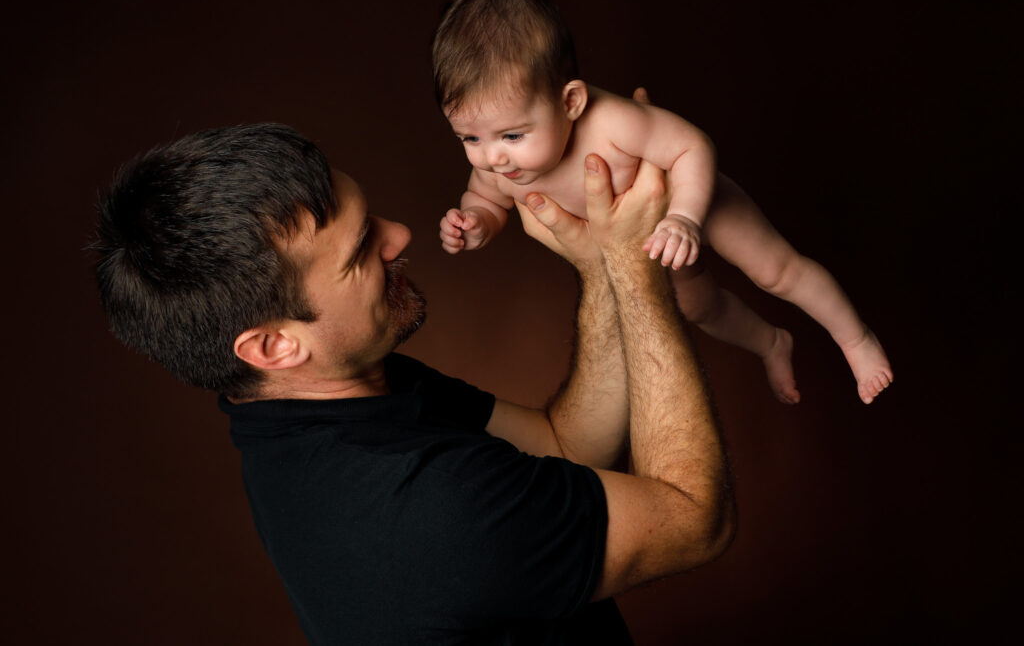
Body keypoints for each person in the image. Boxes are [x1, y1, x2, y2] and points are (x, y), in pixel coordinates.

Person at [93, 122, 735, 644]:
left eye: (372, 218)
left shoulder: (322, 397)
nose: (400, 236)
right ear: (274, 345)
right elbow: (695, 518)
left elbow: (564, 446)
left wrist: (599, 268)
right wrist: (635, 264)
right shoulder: (426, 505)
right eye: (361, 249)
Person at [434, 0, 893, 405]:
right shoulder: (501, 168)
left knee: (776, 270)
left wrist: (686, 216)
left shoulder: (612, 123)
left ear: (570, 102)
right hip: (650, 246)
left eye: (511, 136)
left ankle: (856, 338)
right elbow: (486, 198)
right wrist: (476, 224)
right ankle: (771, 342)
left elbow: (692, 146)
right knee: (698, 306)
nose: (492, 158)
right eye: (469, 139)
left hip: (697, 204)